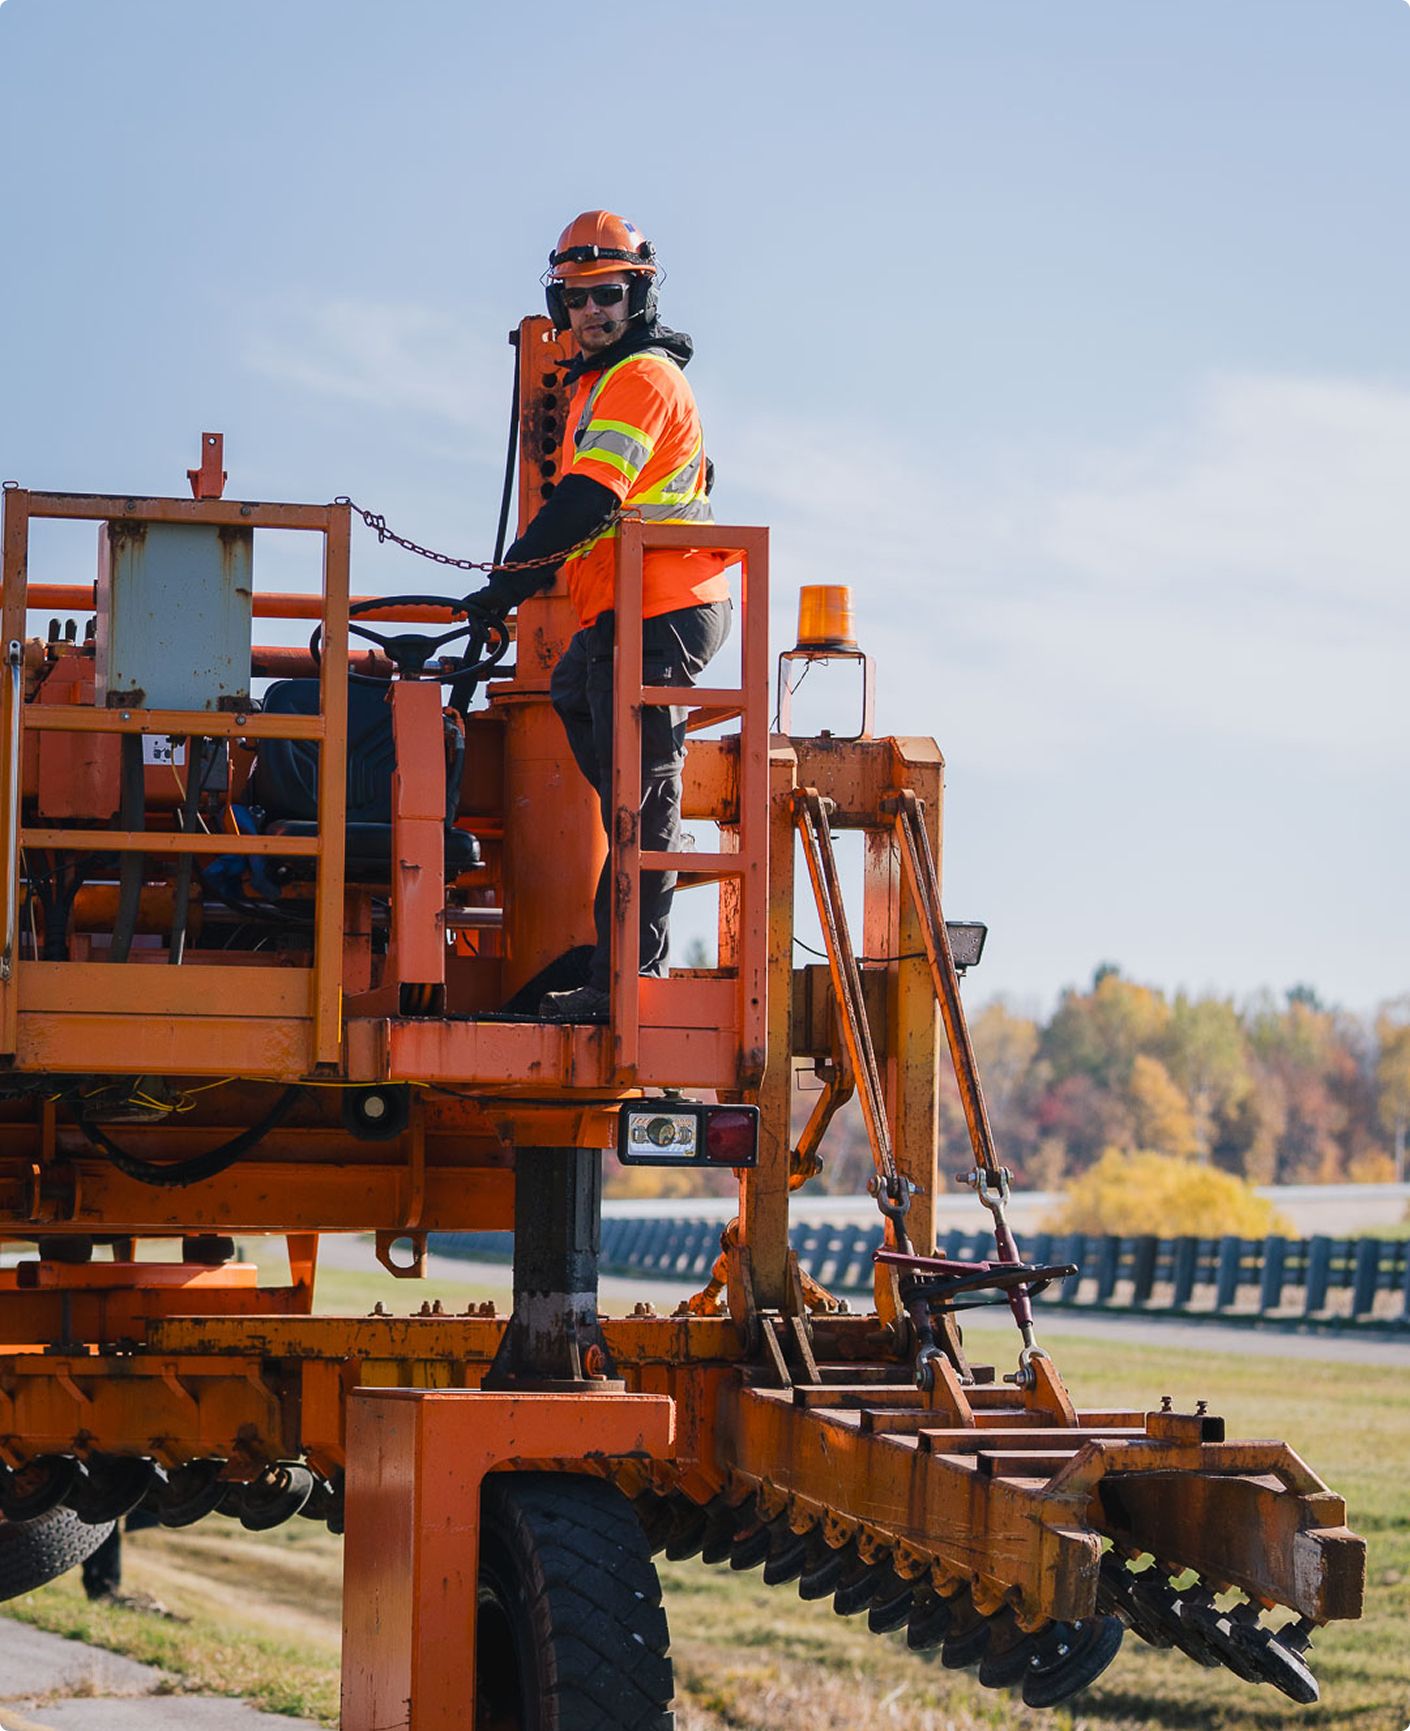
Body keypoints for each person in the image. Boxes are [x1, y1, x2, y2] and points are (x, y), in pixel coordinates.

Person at [468, 211, 731, 1023]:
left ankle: (626, 981)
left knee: (638, 807)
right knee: (577, 695)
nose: (590, 312)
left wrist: (505, 586)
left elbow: (586, 500)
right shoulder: (598, 385)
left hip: (664, 604)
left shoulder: (641, 379)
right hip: (626, 609)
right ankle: (648, 849)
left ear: (638, 296)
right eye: (576, 298)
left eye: (607, 295)